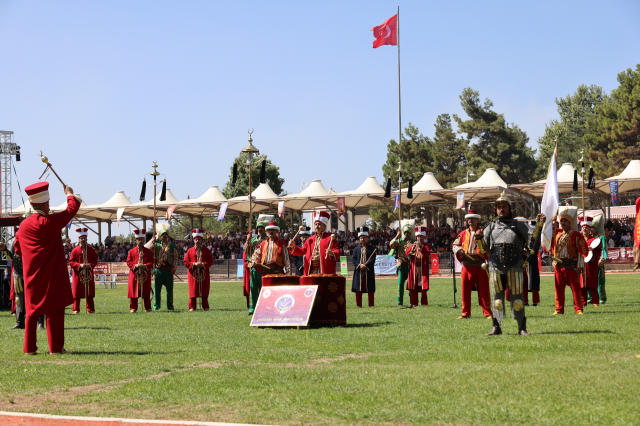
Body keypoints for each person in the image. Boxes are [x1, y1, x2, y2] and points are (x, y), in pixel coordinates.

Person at [13, 182, 80, 354]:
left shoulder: (23, 226)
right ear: (44, 204)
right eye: (48, 202)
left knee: (32, 311)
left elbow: (18, 248)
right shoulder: (49, 221)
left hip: (31, 275)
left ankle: (29, 348)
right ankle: (55, 348)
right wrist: (69, 194)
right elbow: (71, 210)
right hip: (51, 274)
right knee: (55, 310)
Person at [476, 191, 543, 336]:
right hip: (495, 266)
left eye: (504, 206)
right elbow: (484, 249)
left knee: (518, 299)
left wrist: (539, 224)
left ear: (509, 208)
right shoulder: (491, 226)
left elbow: (533, 239)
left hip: (515, 266)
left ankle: (521, 328)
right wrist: (480, 238)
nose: (501, 209)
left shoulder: (519, 224)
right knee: (497, 300)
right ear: (495, 209)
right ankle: (496, 327)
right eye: (499, 207)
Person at [546, 206, 588, 315]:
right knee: (558, 290)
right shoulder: (557, 234)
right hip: (559, 266)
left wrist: (580, 265)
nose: (563, 223)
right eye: (562, 221)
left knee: (576, 290)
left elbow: (581, 252)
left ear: (570, 223)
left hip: (572, 266)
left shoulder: (576, 235)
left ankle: (579, 309)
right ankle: (559, 309)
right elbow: (548, 242)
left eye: (565, 221)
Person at [452, 209, 491, 319]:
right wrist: (458, 250)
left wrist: (480, 238)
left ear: (477, 219)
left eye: (472, 218)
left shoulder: (484, 232)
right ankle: (465, 313)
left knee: (484, 290)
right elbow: (454, 245)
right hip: (467, 265)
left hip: (480, 265)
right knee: (465, 290)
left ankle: (487, 312)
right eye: (468, 218)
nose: (470, 220)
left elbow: (486, 249)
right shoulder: (463, 233)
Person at [288, 210, 340, 276]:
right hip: (310, 271)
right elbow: (302, 251)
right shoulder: (310, 239)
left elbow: (337, 251)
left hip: (324, 271)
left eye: (319, 224)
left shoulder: (331, 239)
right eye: (315, 224)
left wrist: (332, 253)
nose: (317, 226)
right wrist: (293, 246)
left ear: (325, 226)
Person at [146, 224, 178, 310]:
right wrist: (152, 241)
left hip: (168, 270)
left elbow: (175, 258)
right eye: (162, 234)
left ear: (168, 236)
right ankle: (156, 305)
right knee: (157, 289)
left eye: (165, 234)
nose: (164, 236)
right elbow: (147, 250)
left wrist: (174, 269)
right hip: (158, 270)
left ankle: (170, 305)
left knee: (169, 290)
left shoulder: (172, 246)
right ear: (159, 236)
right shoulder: (155, 244)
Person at [68, 228, 98, 314]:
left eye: (84, 238)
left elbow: (95, 260)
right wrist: (79, 265)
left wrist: (90, 265)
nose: (83, 240)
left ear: (87, 239)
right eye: (82, 238)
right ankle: (76, 309)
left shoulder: (91, 250)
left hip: (88, 273)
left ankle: (91, 309)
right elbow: (71, 262)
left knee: (89, 291)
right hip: (78, 274)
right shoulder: (74, 250)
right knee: (77, 292)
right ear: (79, 239)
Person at [246, 215, 271, 315]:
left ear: (265, 229)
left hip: (263, 267)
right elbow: (247, 251)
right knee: (253, 287)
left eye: (262, 227)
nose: (260, 229)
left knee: (263, 287)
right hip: (254, 267)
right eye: (258, 227)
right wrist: (248, 240)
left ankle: (264, 306)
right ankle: (252, 307)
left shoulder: (268, 239)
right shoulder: (253, 240)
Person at [184, 228, 214, 311]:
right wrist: (194, 264)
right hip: (193, 273)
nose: (198, 241)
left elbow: (210, 261)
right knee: (193, 289)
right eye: (196, 239)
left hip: (203, 273)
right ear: (194, 240)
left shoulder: (206, 250)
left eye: (199, 239)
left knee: (204, 289)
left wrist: (203, 264)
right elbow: (186, 262)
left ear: (202, 240)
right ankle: (192, 306)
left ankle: (205, 306)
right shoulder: (189, 251)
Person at [126, 229, 153, 312]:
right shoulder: (131, 251)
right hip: (135, 274)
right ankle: (133, 308)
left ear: (144, 240)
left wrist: (145, 266)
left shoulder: (148, 252)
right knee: (134, 290)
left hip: (145, 274)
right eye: (139, 240)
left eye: (142, 240)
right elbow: (128, 261)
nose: (140, 241)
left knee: (145, 291)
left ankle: (148, 308)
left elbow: (151, 262)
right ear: (136, 240)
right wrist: (135, 265)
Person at [404, 226, 430, 309]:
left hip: (422, 270)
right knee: (413, 287)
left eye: (421, 237)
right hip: (414, 269)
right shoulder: (413, 245)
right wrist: (413, 247)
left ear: (424, 237)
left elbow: (427, 253)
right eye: (418, 237)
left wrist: (421, 247)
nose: (419, 238)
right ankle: (414, 303)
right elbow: (408, 254)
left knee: (423, 288)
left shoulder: (426, 246)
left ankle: (424, 304)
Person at [579, 216, 602, 307]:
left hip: (591, 265)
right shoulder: (578, 239)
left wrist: (593, 250)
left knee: (592, 284)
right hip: (581, 264)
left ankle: (595, 302)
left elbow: (599, 252)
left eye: (587, 228)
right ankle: (583, 302)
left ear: (590, 229)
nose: (585, 229)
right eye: (583, 227)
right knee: (582, 285)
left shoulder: (594, 240)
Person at [351, 227, 376, 307]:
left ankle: (371, 304)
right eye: (361, 238)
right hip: (358, 271)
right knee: (358, 288)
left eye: (364, 238)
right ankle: (359, 305)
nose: (362, 239)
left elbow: (372, 259)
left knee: (370, 288)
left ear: (367, 238)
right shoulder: (355, 249)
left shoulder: (372, 249)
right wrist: (359, 265)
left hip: (368, 271)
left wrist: (366, 265)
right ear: (359, 239)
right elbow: (353, 259)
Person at [389, 223, 413, 306]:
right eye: (405, 232)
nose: (406, 234)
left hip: (410, 265)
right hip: (401, 265)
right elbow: (391, 245)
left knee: (411, 284)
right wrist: (397, 236)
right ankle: (400, 301)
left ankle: (413, 301)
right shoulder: (400, 241)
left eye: (408, 232)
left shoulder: (413, 242)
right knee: (400, 283)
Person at [3, 238, 25, 329]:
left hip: (31, 274)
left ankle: (40, 323)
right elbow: (11, 258)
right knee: (18, 299)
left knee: (35, 298)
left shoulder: (34, 238)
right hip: (18, 274)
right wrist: (4, 249)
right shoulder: (15, 241)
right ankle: (19, 322)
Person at [588, 213, 608, 304]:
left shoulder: (601, 237)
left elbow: (604, 249)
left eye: (592, 227)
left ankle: (602, 298)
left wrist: (603, 258)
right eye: (589, 227)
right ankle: (590, 297)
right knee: (589, 279)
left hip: (598, 261)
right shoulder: (587, 238)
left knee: (600, 280)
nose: (590, 229)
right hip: (589, 262)